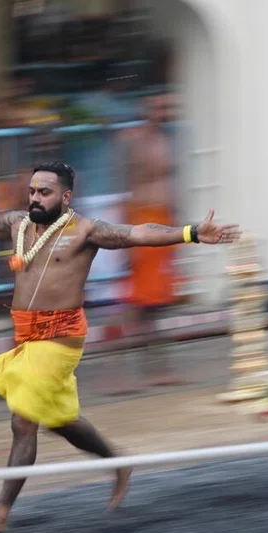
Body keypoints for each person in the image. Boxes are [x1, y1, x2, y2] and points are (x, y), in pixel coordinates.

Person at [0, 161, 240, 533]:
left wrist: (189, 233)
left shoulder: (84, 230)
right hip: (28, 338)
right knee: (60, 420)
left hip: (60, 339)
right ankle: (118, 463)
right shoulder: (17, 224)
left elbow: (139, 232)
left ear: (65, 196)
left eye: (45, 192)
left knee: (23, 420)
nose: (35, 198)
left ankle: (1, 512)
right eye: (32, 191)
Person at [115, 92, 183, 387]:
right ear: (146, 109)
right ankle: (121, 370)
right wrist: (125, 235)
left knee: (155, 304)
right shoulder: (134, 141)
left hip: (163, 221)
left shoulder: (167, 141)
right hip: (143, 222)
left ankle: (155, 369)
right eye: (159, 107)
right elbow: (126, 187)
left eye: (167, 107)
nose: (164, 112)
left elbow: (170, 185)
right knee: (139, 303)